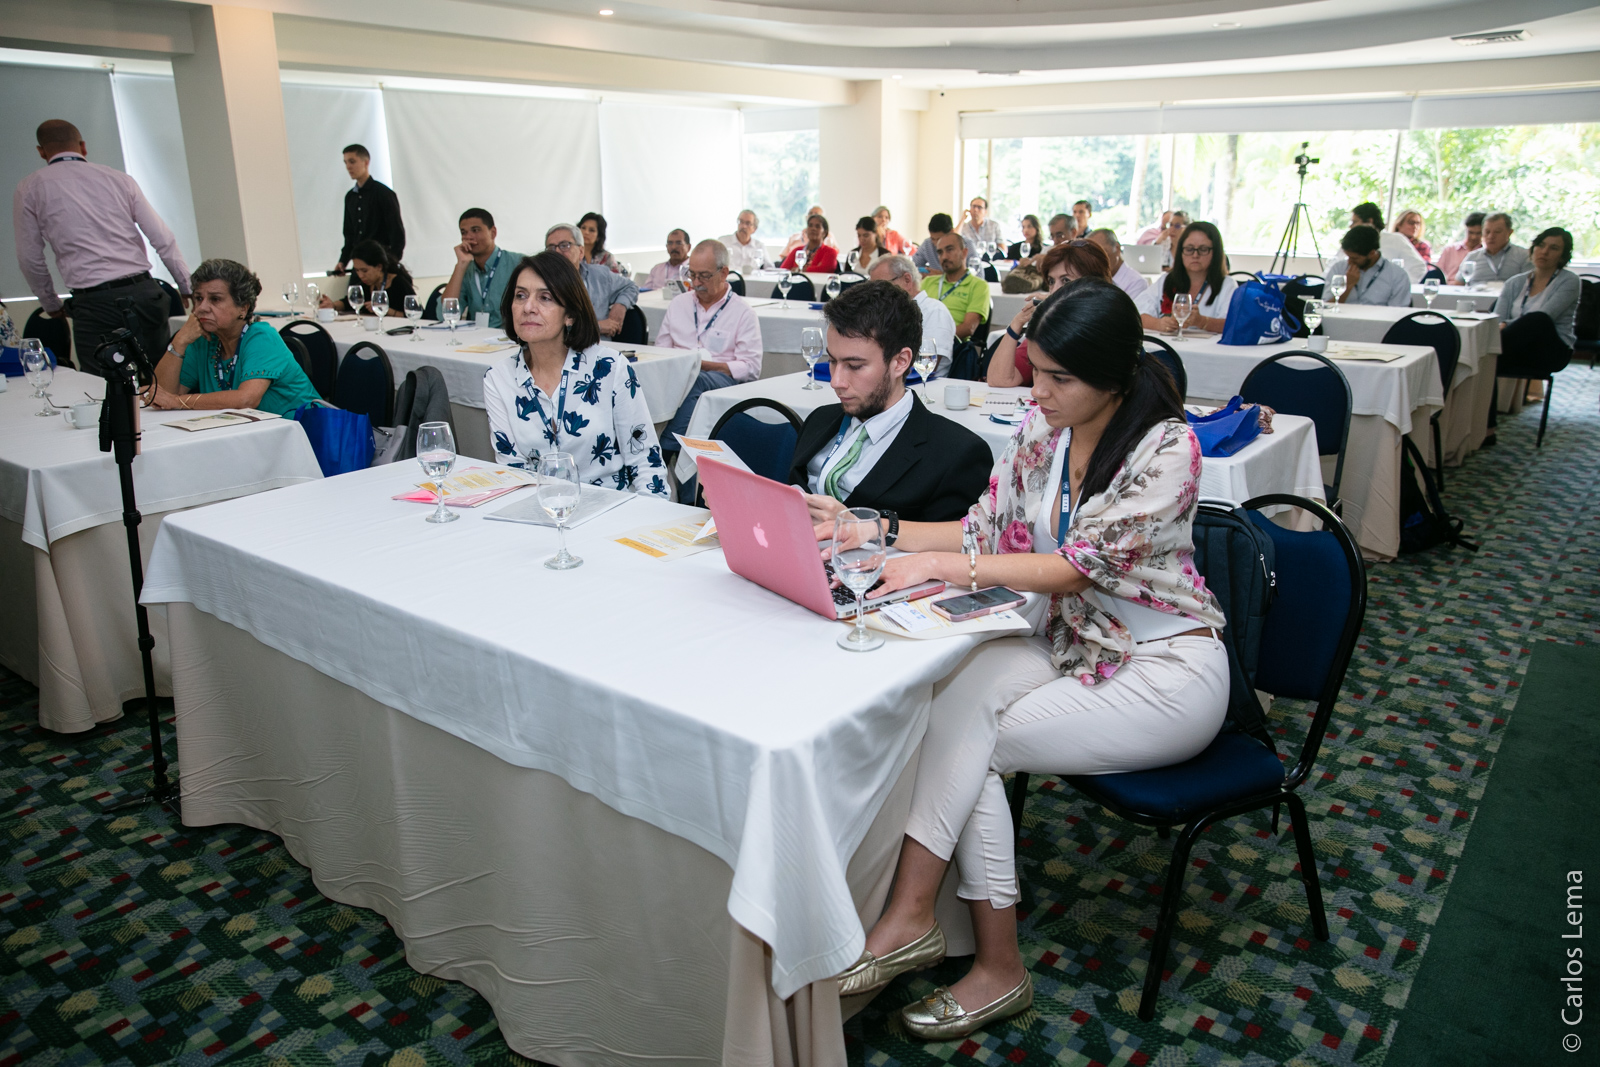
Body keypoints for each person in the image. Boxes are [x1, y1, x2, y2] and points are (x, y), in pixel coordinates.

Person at [827, 277, 1227, 1040]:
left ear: (1115, 375)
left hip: (1167, 669)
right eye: (1035, 369)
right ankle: (927, 927)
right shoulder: (1045, 429)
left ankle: (965, 948)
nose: (1033, 389)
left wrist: (950, 573)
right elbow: (980, 529)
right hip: (1076, 644)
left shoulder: (1168, 448)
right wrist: (870, 527)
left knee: (968, 742)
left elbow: (1077, 565)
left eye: (1057, 378)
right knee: (951, 702)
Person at [789, 281, 990, 526]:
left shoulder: (956, 454)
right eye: (832, 361)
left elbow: (948, 551)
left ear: (901, 362)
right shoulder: (819, 420)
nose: (836, 381)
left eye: (854, 366)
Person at [483, 251, 668, 497]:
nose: (528, 307)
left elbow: (645, 460)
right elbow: (513, 472)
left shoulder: (609, 367)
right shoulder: (499, 378)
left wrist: (647, 524)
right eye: (520, 296)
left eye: (545, 297)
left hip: (611, 510)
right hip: (542, 512)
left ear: (569, 314)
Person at [14, 119, 191, 373]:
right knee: (160, 380)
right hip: (144, 293)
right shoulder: (119, 179)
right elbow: (162, 236)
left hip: (94, 303)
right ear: (83, 147)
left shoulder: (30, 188)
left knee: (104, 387)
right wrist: (184, 284)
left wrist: (52, 304)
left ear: (41, 151)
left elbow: (29, 257)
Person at [149, 258, 320, 417]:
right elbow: (160, 395)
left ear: (243, 309)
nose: (202, 308)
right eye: (199, 298)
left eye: (215, 299)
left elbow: (246, 400)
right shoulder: (202, 340)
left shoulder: (261, 337)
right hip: (245, 435)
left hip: (303, 432)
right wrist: (179, 341)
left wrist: (178, 402)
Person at [658, 239, 765, 478]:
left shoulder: (743, 313)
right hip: (678, 379)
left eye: (704, 276)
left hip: (722, 383)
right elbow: (661, 350)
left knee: (700, 380)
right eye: (691, 274)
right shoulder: (679, 304)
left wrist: (701, 365)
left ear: (724, 272)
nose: (695, 283)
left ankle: (664, 452)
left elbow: (751, 367)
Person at [988, 240, 1113, 388]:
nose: (1054, 291)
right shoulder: (1050, 326)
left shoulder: (1108, 323)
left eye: (1066, 281)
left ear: (1093, 284)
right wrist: (1017, 323)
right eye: (1052, 281)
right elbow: (999, 380)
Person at [1136, 221, 1235, 332]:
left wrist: (1202, 322)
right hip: (1167, 347)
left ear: (1215, 252)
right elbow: (1135, 313)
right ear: (1181, 251)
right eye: (1189, 249)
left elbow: (1234, 324)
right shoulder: (1166, 280)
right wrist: (1158, 324)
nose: (1195, 255)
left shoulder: (1227, 285)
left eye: (1203, 249)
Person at [545, 223, 637, 339]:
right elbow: (551, 328)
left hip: (603, 351)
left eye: (564, 245)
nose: (557, 252)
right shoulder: (541, 284)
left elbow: (630, 287)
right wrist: (597, 327)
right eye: (551, 248)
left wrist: (620, 305)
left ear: (581, 252)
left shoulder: (599, 275)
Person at [869, 254, 956, 376]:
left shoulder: (934, 311)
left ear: (907, 280)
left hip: (924, 386)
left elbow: (927, 365)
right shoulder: (886, 313)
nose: (876, 295)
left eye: (881, 287)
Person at [1495, 227, 1580, 350]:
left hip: (1551, 345)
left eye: (1554, 248)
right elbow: (1498, 319)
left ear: (1562, 256)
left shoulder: (1569, 280)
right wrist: (1502, 325)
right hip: (1513, 341)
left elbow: (1545, 318)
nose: (1544, 252)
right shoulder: (1513, 282)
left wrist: (1507, 324)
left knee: (1538, 318)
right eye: (1541, 245)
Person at [444, 207, 518, 329]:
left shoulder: (517, 263)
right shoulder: (466, 270)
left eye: (475, 230)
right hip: (475, 340)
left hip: (510, 339)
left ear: (493, 233)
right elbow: (446, 313)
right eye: (464, 232)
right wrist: (460, 264)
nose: (469, 237)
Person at [336, 144, 404, 274]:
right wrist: (343, 261)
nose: (348, 167)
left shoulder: (383, 194)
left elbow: (397, 234)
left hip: (380, 266)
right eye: (345, 162)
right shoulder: (350, 197)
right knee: (355, 294)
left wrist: (391, 264)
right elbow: (349, 235)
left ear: (366, 162)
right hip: (359, 266)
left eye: (352, 161)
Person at [921, 233, 990, 342]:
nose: (944, 257)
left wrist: (932, 340)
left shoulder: (979, 286)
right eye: (940, 252)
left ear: (964, 253)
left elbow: (968, 328)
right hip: (921, 345)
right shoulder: (928, 282)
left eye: (949, 250)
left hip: (953, 347)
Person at [320, 240, 414, 316]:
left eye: (365, 271)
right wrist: (333, 305)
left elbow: (418, 315)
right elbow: (347, 303)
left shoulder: (399, 283)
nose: (360, 276)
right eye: (357, 270)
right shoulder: (366, 285)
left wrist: (386, 310)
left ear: (379, 267)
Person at [1323, 226, 1410, 307]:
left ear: (1372, 253)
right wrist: (1347, 286)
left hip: (1379, 322)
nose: (1349, 262)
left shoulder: (1397, 275)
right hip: (1340, 322)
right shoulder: (1339, 268)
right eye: (1348, 257)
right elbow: (1326, 307)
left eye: (1354, 258)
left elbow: (1398, 313)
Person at [1348, 202, 1424, 281]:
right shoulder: (1350, 242)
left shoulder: (1395, 240)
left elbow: (1418, 267)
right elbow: (1336, 264)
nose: (1351, 226)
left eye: (1355, 222)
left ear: (1369, 222)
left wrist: (1398, 285)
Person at [1461, 213, 1532, 284]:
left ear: (1510, 232)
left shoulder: (1523, 256)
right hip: (1477, 294)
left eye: (1497, 232)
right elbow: (1459, 284)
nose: (1491, 236)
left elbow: (1531, 285)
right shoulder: (1472, 257)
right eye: (1487, 232)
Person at [1085, 228, 1149, 302]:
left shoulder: (1136, 283)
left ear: (1117, 248)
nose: (1096, 260)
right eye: (1090, 255)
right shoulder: (1088, 279)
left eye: (1102, 253)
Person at [1436, 212, 1485, 285]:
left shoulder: (1486, 253)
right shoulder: (1450, 250)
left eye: (1478, 233)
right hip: (1450, 289)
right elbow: (1437, 274)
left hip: (1476, 290)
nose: (1473, 237)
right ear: (1466, 229)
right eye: (1470, 232)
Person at [720, 210, 769, 275]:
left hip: (753, 283)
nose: (743, 226)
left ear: (754, 229)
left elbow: (769, 268)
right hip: (728, 281)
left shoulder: (759, 246)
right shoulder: (723, 242)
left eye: (748, 223)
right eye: (741, 222)